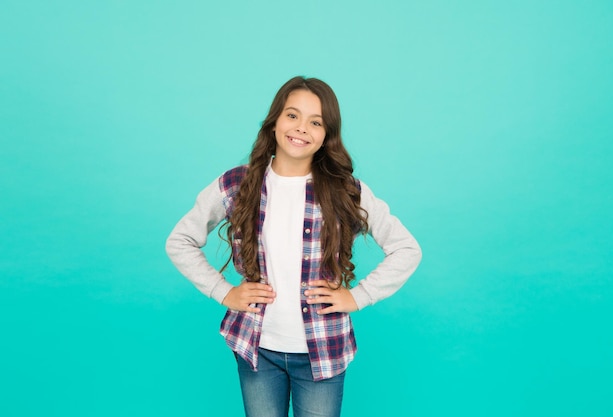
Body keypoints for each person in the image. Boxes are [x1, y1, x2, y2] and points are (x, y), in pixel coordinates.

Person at [165, 76, 422, 417]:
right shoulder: (236, 184)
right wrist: (223, 292)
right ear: (274, 122)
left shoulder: (346, 190)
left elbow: (407, 249)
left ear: (326, 135)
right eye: (292, 115)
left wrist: (356, 297)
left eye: (316, 122)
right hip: (257, 348)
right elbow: (180, 241)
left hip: (323, 349)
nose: (302, 128)